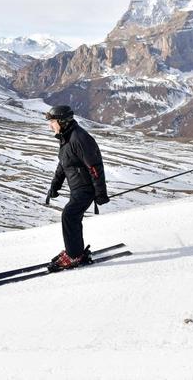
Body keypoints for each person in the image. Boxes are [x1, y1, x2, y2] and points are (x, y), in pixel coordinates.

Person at [44, 105, 109, 272]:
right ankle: (75, 251)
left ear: (62, 121)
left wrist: (100, 193)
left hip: (86, 188)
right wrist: (55, 185)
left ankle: (74, 255)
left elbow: (94, 167)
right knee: (72, 216)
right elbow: (63, 163)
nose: (50, 125)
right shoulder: (66, 137)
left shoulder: (79, 138)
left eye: (52, 121)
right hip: (77, 188)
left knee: (69, 215)